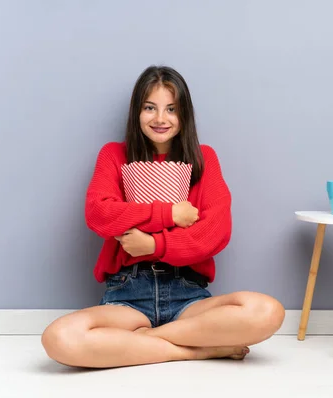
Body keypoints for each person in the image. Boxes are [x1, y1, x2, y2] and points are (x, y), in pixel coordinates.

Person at [41, 65, 285, 368]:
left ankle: (144, 344)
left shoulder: (204, 158)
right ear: (136, 112)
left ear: (185, 115)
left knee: (267, 311)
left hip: (189, 297)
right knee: (59, 338)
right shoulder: (114, 155)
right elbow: (99, 213)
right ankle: (197, 350)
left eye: (171, 109)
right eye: (150, 108)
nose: (160, 119)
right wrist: (168, 212)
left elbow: (215, 231)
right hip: (128, 297)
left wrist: (154, 246)